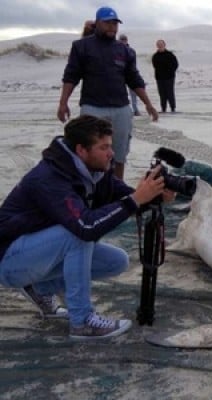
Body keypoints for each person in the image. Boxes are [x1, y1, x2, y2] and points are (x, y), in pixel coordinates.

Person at [0, 115, 172, 340]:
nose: (111, 153)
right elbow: (87, 226)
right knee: (77, 234)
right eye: (104, 147)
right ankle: (82, 322)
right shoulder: (49, 178)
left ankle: (40, 288)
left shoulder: (96, 171)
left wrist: (154, 195)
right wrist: (134, 200)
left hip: (35, 254)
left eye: (110, 146)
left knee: (116, 261)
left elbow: (128, 198)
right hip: (8, 259)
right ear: (81, 150)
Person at [58, 6, 158, 181]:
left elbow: (134, 79)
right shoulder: (81, 46)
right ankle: (92, 189)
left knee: (118, 154)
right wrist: (63, 102)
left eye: (115, 23)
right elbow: (71, 75)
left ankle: (116, 188)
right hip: (93, 108)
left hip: (121, 109)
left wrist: (148, 104)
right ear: (97, 23)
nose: (112, 27)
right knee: (92, 153)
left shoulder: (124, 50)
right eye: (107, 23)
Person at [151, 39, 179, 113]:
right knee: (162, 94)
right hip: (159, 78)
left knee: (170, 93)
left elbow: (175, 64)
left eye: (161, 44)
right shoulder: (155, 56)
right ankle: (163, 109)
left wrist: (170, 71)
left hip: (169, 77)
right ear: (157, 46)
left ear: (164, 45)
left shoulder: (170, 54)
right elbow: (154, 65)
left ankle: (173, 108)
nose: (160, 46)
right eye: (158, 45)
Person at [118, 34, 141, 116]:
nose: (123, 41)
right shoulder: (116, 50)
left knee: (133, 93)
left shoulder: (131, 51)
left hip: (130, 74)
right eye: (121, 40)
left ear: (126, 41)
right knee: (122, 93)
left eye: (124, 40)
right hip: (120, 75)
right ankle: (125, 110)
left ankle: (135, 110)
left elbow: (133, 63)